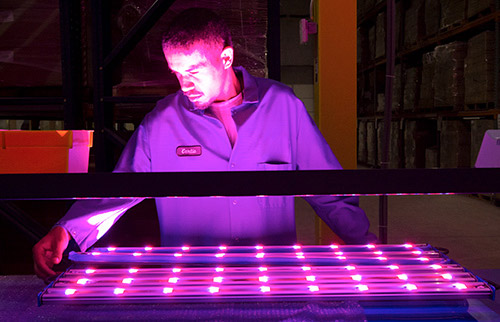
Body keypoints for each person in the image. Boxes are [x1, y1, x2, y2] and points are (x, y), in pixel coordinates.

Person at [33, 8, 377, 281]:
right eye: (177, 73)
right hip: (190, 279)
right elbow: (120, 188)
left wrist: (366, 248)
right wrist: (67, 229)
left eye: (195, 70)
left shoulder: (283, 107)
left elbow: (328, 189)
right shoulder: (162, 122)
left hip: (273, 275)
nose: (185, 84)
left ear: (226, 58)